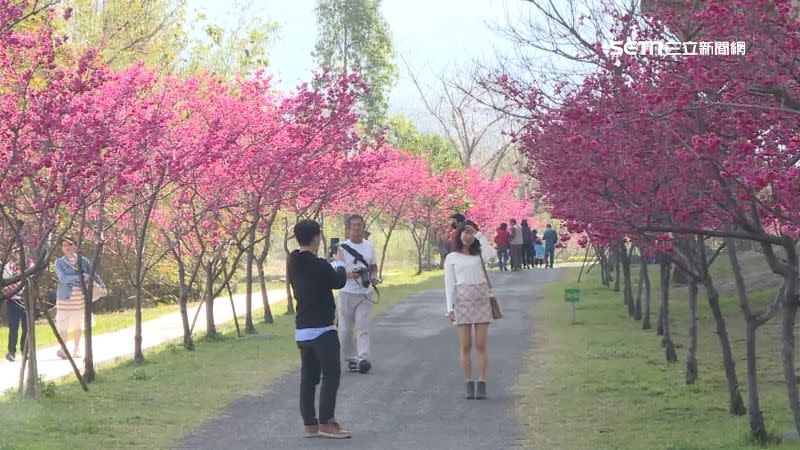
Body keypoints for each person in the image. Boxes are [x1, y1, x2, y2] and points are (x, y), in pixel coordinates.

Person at [288, 219, 351, 439]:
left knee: (308, 378)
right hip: (323, 330)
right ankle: (327, 422)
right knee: (331, 374)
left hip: (302, 329)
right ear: (316, 237)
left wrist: (326, 262)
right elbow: (338, 281)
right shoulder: (321, 266)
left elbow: (313, 276)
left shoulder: (293, 262)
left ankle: (310, 424)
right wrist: (340, 263)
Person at [445, 221, 493, 400]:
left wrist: (480, 234)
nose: (468, 236)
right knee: (465, 345)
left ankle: (482, 382)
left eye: (471, 233)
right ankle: (468, 383)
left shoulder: (480, 255)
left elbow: (492, 255)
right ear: (458, 235)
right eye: (465, 233)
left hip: (481, 299)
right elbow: (449, 284)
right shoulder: (452, 257)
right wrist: (450, 308)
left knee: (481, 344)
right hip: (462, 301)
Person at [337, 214, 378, 375]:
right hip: (347, 292)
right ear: (348, 228)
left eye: (360, 225)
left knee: (363, 326)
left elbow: (373, 266)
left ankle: (363, 359)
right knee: (346, 330)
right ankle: (350, 359)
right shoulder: (341, 248)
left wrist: (373, 277)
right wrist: (354, 275)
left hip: (364, 293)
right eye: (354, 226)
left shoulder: (369, 247)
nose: (357, 229)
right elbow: (337, 271)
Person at [54, 237, 105, 359]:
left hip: (80, 298)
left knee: (78, 324)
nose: (67, 247)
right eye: (64, 245)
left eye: (70, 244)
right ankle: (63, 348)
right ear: (62, 248)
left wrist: (102, 285)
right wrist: (81, 277)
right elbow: (63, 278)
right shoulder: (59, 262)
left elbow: (93, 274)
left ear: (75, 246)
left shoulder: (83, 261)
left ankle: (76, 349)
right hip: (64, 298)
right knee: (63, 325)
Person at [3, 248, 27, 362]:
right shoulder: (8, 267)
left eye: (20, 251)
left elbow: (30, 280)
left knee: (26, 328)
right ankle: (11, 352)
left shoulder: (29, 265)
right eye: (16, 252)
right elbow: (5, 282)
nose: (18, 254)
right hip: (12, 299)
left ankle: (25, 350)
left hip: (25, 300)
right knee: (13, 327)